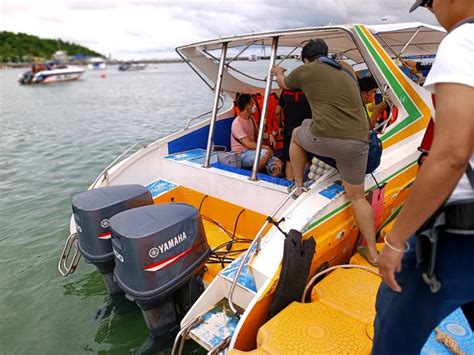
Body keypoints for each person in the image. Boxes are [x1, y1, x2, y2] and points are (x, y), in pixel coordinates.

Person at [373, 0, 474, 353]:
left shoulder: (462, 41)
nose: (434, 13)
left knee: (391, 331)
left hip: (456, 239)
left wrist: (397, 239)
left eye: (431, 4)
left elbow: (451, 154)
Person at [271, 39, 379, 266]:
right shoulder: (347, 69)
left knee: (297, 134)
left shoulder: (305, 70)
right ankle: (372, 252)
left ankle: (298, 185)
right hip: (358, 143)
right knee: (357, 197)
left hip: (329, 141)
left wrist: (278, 71)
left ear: (305, 59)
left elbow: (283, 84)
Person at [275, 89, 312, 180]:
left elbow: (277, 112)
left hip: (289, 130)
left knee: (289, 159)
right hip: (305, 129)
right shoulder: (308, 90)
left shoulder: (286, 92)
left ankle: (289, 183)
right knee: (306, 158)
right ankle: (302, 183)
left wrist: (280, 125)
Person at [231, 93, 273, 171]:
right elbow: (248, 144)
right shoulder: (237, 123)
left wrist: (269, 135)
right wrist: (265, 147)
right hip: (241, 155)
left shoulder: (251, 118)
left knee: (278, 164)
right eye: (252, 104)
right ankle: (253, 175)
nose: (255, 106)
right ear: (247, 106)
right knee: (266, 153)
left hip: (252, 151)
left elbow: (259, 134)